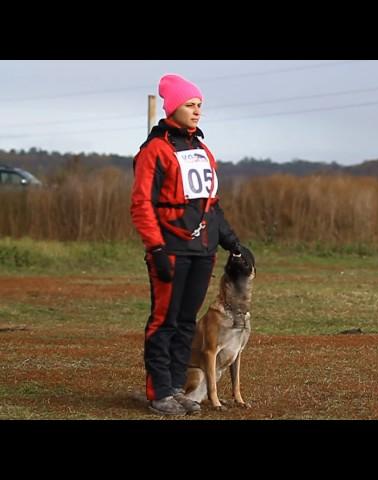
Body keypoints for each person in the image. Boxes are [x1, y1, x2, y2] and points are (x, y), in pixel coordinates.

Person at [131, 73, 243, 416]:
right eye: (190, 105)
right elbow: (141, 204)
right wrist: (156, 248)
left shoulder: (202, 149)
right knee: (163, 321)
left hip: (203, 251)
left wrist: (232, 242)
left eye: (199, 106)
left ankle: (177, 387)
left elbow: (212, 203)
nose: (197, 112)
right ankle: (159, 392)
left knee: (185, 321)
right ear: (172, 107)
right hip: (170, 249)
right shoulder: (154, 150)